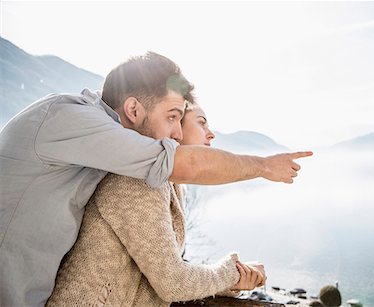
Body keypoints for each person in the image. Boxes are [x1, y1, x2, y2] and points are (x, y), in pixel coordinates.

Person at [0, 51, 312, 306]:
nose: (175, 133)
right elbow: (171, 279)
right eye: (173, 116)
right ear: (133, 109)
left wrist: (223, 281)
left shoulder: (112, 151)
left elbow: (153, 271)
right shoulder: (74, 123)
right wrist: (264, 166)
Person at [46, 102, 266, 306]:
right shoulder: (139, 182)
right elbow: (173, 283)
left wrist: (231, 281)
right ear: (175, 127)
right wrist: (231, 272)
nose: (211, 133)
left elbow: (161, 273)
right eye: (201, 122)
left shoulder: (171, 186)